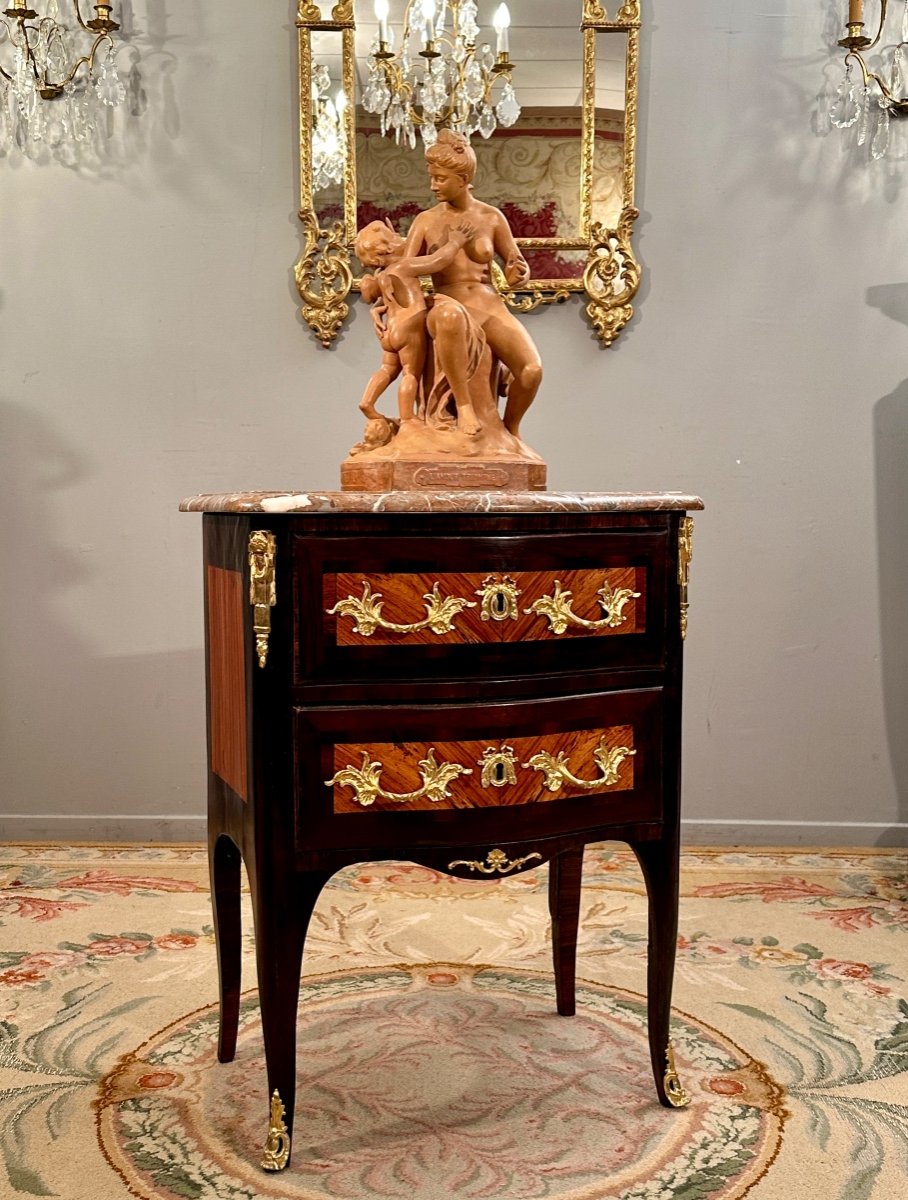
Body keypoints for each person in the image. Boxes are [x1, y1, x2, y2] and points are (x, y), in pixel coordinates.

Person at [401, 130, 542, 439]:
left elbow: (517, 264)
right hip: (446, 302)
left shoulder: (492, 218)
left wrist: (520, 273)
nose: (433, 185)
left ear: (463, 178)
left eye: (440, 178)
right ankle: (464, 408)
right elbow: (404, 269)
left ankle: (510, 430)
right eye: (432, 177)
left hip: (488, 303)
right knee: (449, 318)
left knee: (531, 371)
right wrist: (447, 249)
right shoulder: (425, 221)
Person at [354, 218, 482, 435]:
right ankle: (407, 418)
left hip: (389, 331)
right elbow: (438, 261)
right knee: (410, 374)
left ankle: (367, 402)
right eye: (395, 237)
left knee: (387, 369)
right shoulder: (403, 266)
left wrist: (375, 310)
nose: (401, 239)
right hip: (408, 328)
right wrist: (455, 242)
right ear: (387, 249)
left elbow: (380, 299)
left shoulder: (382, 275)